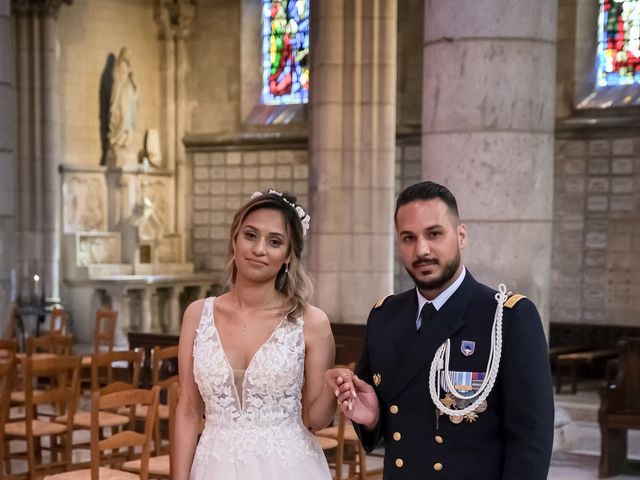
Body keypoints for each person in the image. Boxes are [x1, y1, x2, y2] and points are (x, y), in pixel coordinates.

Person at [327, 181, 554, 479]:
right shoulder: (385, 315)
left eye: (434, 234)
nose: (421, 250)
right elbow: (392, 421)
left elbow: (531, 439)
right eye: (408, 238)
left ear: (461, 236)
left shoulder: (506, 317)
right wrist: (371, 419)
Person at [174, 189, 335, 480]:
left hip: (290, 467)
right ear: (234, 241)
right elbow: (187, 409)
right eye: (250, 235)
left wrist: (335, 389)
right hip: (214, 466)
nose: (259, 249)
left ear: (288, 256)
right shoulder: (197, 315)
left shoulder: (311, 322)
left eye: (274, 242)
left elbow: (317, 420)